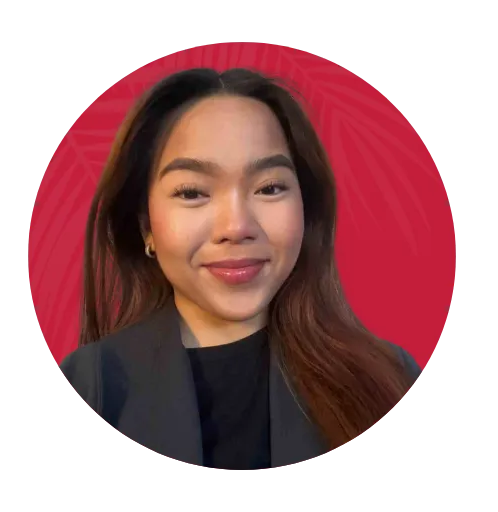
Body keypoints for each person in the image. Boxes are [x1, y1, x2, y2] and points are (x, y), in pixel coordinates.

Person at [59, 67, 421, 471]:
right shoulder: (92, 385)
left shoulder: (386, 379)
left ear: (306, 209)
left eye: (269, 188)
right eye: (192, 192)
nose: (236, 227)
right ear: (147, 226)